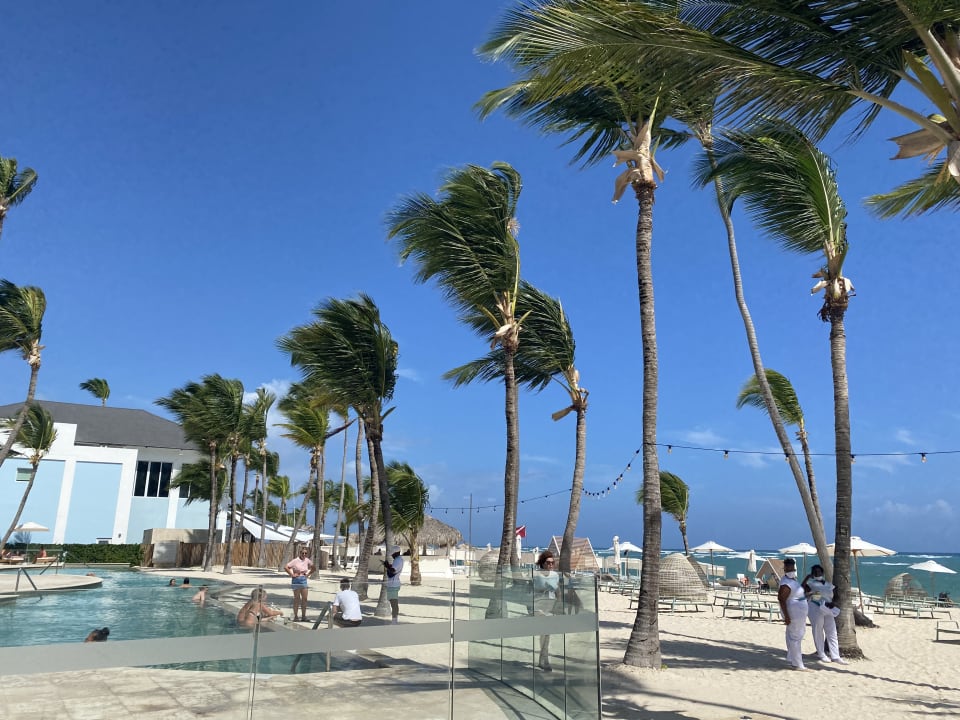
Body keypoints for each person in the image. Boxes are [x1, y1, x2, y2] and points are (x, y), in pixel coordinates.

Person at [802, 564, 848, 665]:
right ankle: (821, 654)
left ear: (822, 572)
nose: (817, 573)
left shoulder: (829, 585)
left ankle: (835, 656)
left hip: (828, 608)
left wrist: (833, 603)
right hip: (815, 607)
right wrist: (807, 577)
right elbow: (801, 589)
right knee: (818, 630)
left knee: (832, 631)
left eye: (819, 571)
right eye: (815, 572)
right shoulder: (811, 583)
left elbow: (835, 596)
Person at [777, 558, 809, 670]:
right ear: (785, 568)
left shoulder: (793, 581)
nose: (792, 570)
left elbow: (799, 591)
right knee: (795, 638)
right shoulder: (786, 583)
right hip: (794, 614)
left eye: (793, 567)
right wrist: (787, 616)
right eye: (789, 567)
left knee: (795, 636)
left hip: (799, 614)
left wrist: (807, 579)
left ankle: (791, 658)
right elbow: (781, 599)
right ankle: (797, 664)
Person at [533, 550, 561, 672]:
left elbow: (558, 591)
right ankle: (545, 660)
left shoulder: (555, 575)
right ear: (543, 563)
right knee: (544, 632)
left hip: (550, 606)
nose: (550, 565)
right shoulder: (536, 574)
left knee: (546, 634)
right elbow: (530, 590)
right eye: (548, 562)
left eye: (552, 563)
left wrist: (559, 605)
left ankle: (543, 659)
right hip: (538, 606)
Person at [285, 546, 314, 622]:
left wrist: (308, 574)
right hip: (296, 580)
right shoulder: (295, 560)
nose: (304, 554)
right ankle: (296, 616)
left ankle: (304, 616)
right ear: (300, 553)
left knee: (304, 599)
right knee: (297, 599)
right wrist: (292, 574)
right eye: (302, 553)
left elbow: (313, 568)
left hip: (303, 579)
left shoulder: (307, 560)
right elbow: (286, 567)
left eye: (305, 553)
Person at [383, 545, 403, 624]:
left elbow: (392, 571)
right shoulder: (398, 560)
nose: (391, 555)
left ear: (396, 553)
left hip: (393, 585)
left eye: (392, 554)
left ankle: (394, 621)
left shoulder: (398, 560)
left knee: (394, 604)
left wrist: (387, 566)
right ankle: (394, 620)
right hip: (394, 584)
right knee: (393, 603)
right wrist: (389, 566)